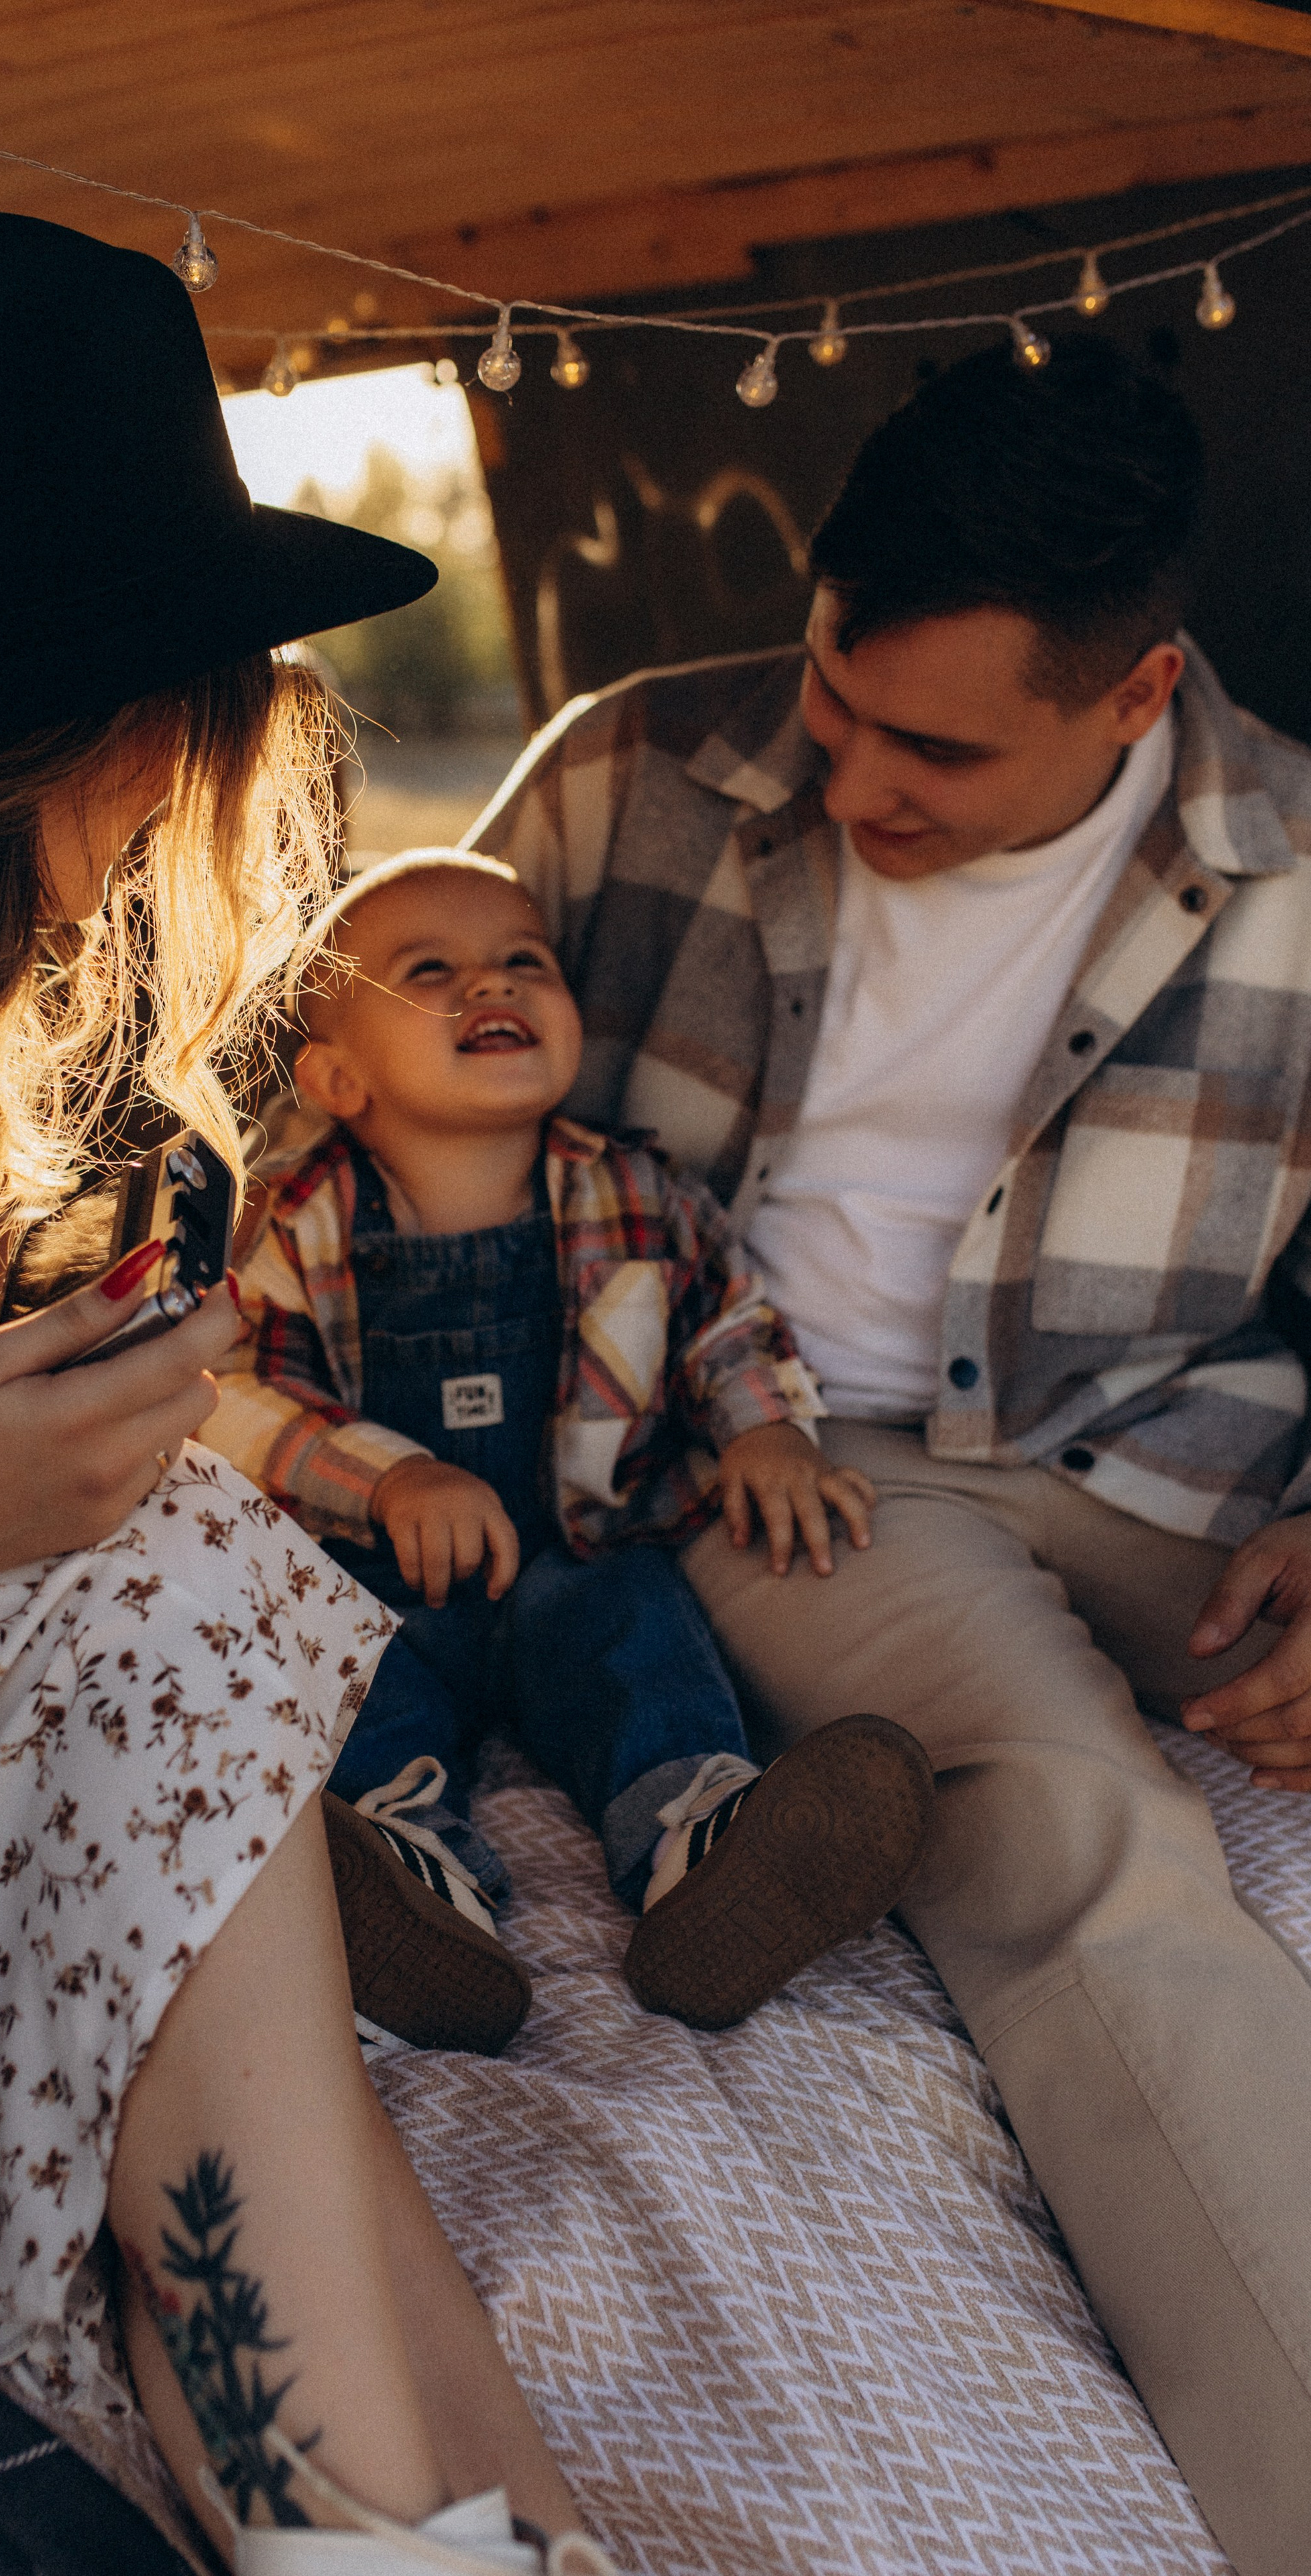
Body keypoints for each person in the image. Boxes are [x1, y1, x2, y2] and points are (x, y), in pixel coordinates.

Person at [0, 209, 623, 2576]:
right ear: (132, 728)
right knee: (167, 1575)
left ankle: (477, 2534)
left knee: (166, 1628)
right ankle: (375, 2534)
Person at [470, 335, 1311, 2576]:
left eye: (939, 747)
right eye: (834, 696)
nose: (851, 771)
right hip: (792, 1470)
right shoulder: (627, 777)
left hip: (1184, 1453)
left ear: (1137, 688)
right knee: (1079, 1835)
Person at [210, 850, 931, 2051]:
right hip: (381, 1569)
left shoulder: (638, 1194)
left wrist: (764, 1431)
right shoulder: (299, 1221)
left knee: (645, 1640)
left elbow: (729, 1320)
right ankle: (406, 1875)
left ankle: (707, 1850)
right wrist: (388, 1476)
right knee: (347, 1674)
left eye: (522, 962)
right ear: (338, 1077)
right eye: (429, 969)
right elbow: (231, 1394)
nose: (488, 984)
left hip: (578, 1546)